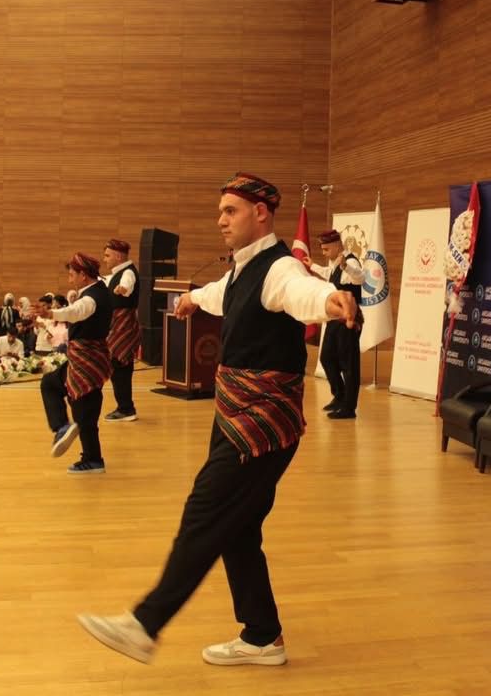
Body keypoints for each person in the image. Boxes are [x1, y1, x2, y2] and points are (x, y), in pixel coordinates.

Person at [77, 172, 358, 665]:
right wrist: (190, 299)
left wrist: (329, 301)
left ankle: (145, 624)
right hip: (235, 412)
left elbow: (300, 292)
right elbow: (218, 292)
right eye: (220, 212)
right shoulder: (242, 270)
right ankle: (262, 635)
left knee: (206, 511)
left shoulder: (278, 268)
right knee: (238, 526)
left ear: (261, 213)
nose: (221, 220)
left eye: (231, 211)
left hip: (261, 423)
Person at [43, 253, 113, 473]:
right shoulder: (99, 291)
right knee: (51, 383)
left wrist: (51, 313)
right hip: (86, 357)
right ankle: (63, 428)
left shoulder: (91, 298)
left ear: (83, 275)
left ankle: (93, 459)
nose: (70, 279)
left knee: (84, 409)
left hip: (87, 359)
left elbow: (76, 312)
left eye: (72, 275)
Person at [305, 229, 365, 419]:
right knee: (326, 358)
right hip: (334, 320)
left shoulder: (351, 262)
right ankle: (339, 396)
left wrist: (346, 266)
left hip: (349, 320)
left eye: (326, 249)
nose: (324, 253)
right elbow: (331, 274)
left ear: (337, 245)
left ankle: (349, 408)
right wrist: (313, 266)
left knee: (349, 364)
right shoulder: (335, 263)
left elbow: (360, 277)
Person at [102, 238, 141, 422]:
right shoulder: (118, 273)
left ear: (118, 256)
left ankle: (126, 409)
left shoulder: (128, 273)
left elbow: (127, 285)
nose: (105, 259)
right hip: (118, 324)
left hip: (123, 325)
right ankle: (125, 407)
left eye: (107, 255)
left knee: (120, 366)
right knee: (119, 367)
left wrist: (123, 289)